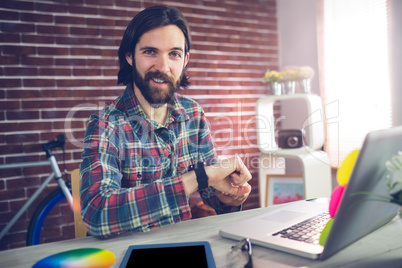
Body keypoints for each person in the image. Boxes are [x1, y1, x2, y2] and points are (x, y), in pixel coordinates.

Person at [80, 5, 252, 238]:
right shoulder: (105, 123)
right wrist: (199, 177)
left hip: (184, 245)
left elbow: (213, 196)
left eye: (174, 54)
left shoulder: (193, 114)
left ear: (185, 60)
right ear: (130, 56)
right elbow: (97, 214)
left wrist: (229, 196)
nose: (163, 67)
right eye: (150, 52)